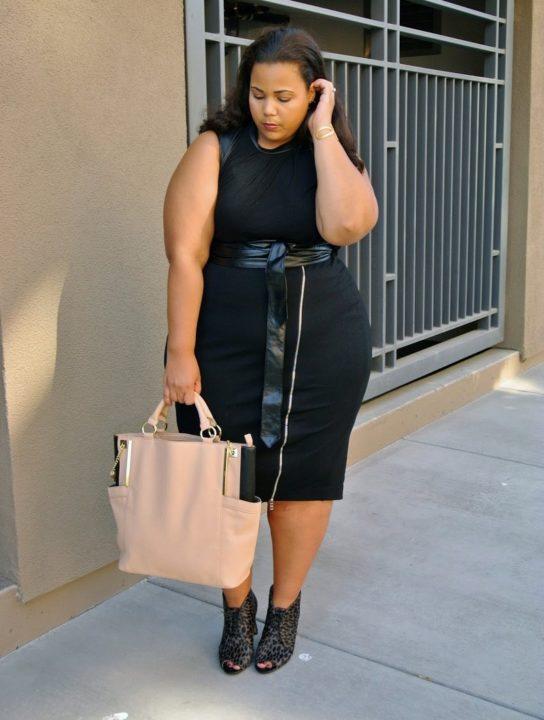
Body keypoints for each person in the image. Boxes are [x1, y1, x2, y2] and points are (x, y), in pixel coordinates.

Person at [162, 26, 378, 675]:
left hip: (323, 338)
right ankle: (237, 606)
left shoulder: (328, 151)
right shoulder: (216, 148)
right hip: (222, 339)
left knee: (304, 480)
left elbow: (347, 225)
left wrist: (323, 131)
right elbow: (185, 256)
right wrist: (180, 352)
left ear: (314, 93)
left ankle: (284, 607)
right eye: (259, 94)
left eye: (285, 97)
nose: (269, 110)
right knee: (223, 479)